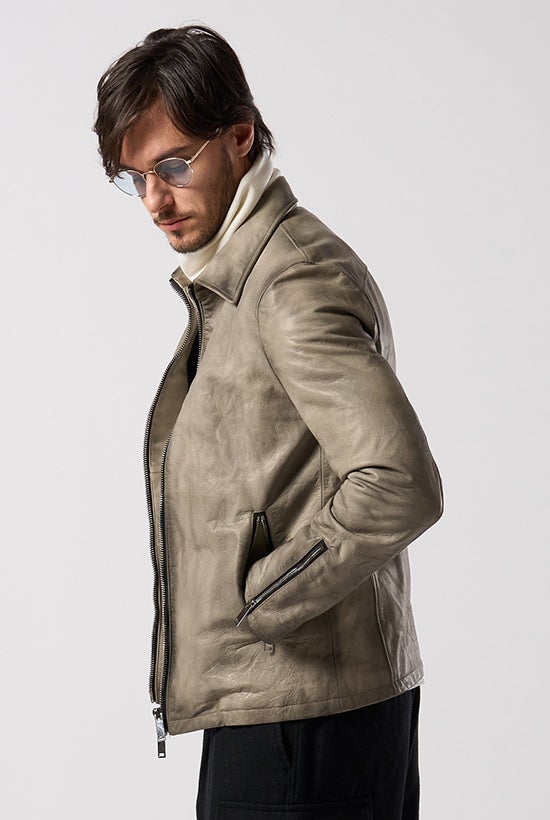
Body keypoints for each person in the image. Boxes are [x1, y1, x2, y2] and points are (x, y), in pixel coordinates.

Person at [94, 24, 443, 820]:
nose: (154, 202)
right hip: (295, 708)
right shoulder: (245, 278)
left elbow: (399, 482)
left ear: (240, 137)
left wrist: (261, 603)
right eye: (134, 178)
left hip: (300, 721)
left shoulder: (287, 284)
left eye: (173, 166)